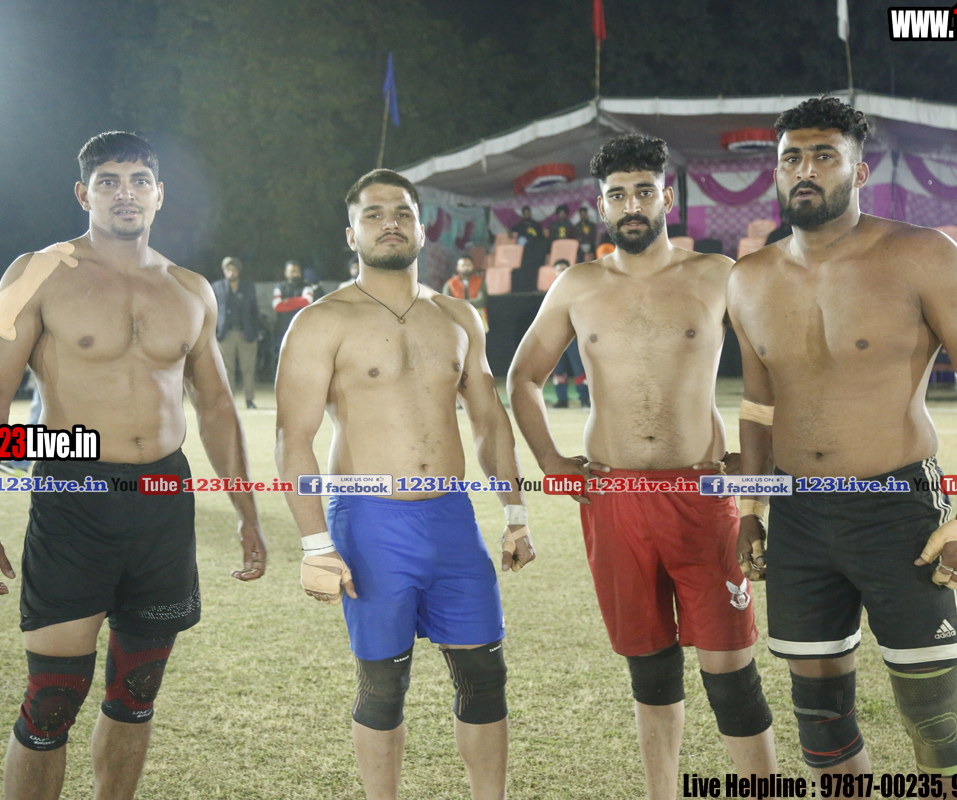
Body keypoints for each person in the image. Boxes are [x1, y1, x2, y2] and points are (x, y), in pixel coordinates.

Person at [0, 131, 267, 800]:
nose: (124, 192)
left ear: (159, 195)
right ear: (84, 193)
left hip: (163, 496)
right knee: (52, 699)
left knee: (137, 691)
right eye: (108, 180)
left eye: (138, 180)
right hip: (75, 495)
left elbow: (217, 406)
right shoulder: (35, 273)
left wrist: (246, 511)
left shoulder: (191, 289)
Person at [727, 97, 957, 778]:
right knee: (821, 723)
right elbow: (759, 407)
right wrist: (750, 509)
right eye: (791, 158)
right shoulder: (749, 277)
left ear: (859, 172)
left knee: (936, 725)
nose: (805, 170)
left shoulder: (921, 255)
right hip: (798, 513)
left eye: (824, 156)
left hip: (895, 508)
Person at [508, 134, 777, 800]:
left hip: (702, 492)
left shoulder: (717, 274)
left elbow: (773, 374)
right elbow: (522, 377)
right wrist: (550, 460)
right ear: (601, 206)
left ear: (667, 197)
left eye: (643, 191)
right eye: (617, 195)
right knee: (650, 670)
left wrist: (757, 470)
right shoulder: (579, 284)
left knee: (731, 671)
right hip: (615, 498)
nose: (631, 205)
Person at [276, 168, 535, 800]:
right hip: (369, 522)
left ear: (422, 229)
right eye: (373, 214)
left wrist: (515, 515)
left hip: (451, 520)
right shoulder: (320, 321)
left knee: (484, 676)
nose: (389, 222)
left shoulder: (458, 316)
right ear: (352, 234)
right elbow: (292, 437)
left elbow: (489, 419)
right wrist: (314, 545)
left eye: (402, 212)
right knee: (383, 685)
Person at [212, 256, 261, 409]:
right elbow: (212, 310)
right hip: (225, 334)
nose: (231, 272)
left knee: (248, 369)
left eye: (233, 270)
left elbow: (255, 310)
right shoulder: (217, 287)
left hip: (246, 333)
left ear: (238, 271)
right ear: (224, 271)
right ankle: (229, 400)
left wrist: (256, 331)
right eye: (228, 270)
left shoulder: (248, 287)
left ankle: (249, 400)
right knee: (227, 370)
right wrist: (214, 331)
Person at [545, 260, 588, 408]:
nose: (561, 272)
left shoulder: (577, 291)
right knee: (558, 369)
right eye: (558, 269)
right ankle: (562, 400)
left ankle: (584, 399)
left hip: (574, 336)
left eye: (564, 269)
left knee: (579, 368)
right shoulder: (550, 292)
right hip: (556, 337)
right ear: (554, 272)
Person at [272, 260, 314, 358]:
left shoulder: (307, 286)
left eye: (297, 271)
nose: (295, 274)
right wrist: (299, 302)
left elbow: (307, 302)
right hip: (282, 331)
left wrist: (287, 301)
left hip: (303, 330)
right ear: (286, 272)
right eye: (292, 271)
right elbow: (277, 306)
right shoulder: (279, 287)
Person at [442, 255, 489, 331]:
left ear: (473, 266)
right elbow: (445, 302)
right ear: (457, 267)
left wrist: (457, 302)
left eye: (469, 265)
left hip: (476, 317)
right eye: (463, 265)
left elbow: (481, 301)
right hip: (456, 318)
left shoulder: (480, 281)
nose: (466, 267)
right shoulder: (450, 283)